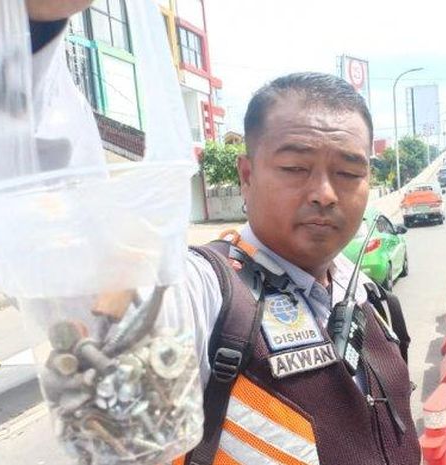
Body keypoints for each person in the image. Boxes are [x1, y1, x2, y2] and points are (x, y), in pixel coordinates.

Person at [25, 3, 421, 465]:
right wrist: (34, 28)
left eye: (349, 172)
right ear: (247, 175)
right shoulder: (208, 293)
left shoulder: (368, 296)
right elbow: (79, 270)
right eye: (295, 168)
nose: (325, 194)